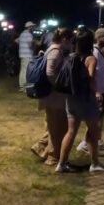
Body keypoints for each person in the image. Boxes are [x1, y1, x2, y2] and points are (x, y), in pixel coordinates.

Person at [56, 28, 104, 174]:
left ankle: (61, 163)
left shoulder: (71, 57)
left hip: (71, 98)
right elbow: (91, 79)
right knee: (93, 131)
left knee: (71, 131)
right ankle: (94, 164)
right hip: (86, 99)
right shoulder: (91, 59)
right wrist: (97, 93)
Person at [32, 27, 73, 167]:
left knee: (53, 125)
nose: (71, 45)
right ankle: (52, 157)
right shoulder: (55, 51)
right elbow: (50, 72)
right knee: (56, 128)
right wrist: (59, 85)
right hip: (54, 96)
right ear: (65, 40)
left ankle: (42, 148)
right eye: (70, 41)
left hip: (53, 96)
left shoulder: (54, 50)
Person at [77, 28, 104, 155]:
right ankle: (85, 143)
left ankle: (98, 140)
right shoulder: (95, 53)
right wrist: (96, 91)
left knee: (99, 117)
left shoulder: (100, 52)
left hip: (102, 89)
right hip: (98, 90)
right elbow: (92, 74)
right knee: (95, 118)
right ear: (99, 38)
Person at [16, 21, 36, 91]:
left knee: (23, 70)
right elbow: (30, 45)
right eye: (33, 26)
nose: (34, 27)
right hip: (28, 54)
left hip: (22, 54)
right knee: (27, 71)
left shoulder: (22, 33)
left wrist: (22, 45)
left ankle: (22, 86)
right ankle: (25, 87)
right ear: (30, 27)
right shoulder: (29, 34)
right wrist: (34, 47)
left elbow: (16, 40)